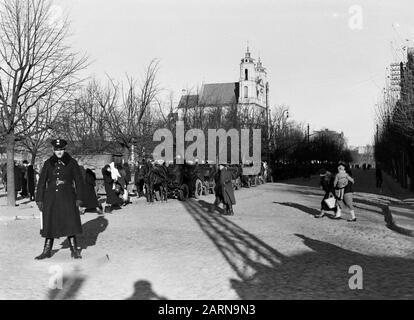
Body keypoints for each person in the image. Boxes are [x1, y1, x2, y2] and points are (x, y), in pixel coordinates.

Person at [35, 138, 84, 260]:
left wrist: (79, 198)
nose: (59, 152)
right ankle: (46, 251)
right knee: (50, 223)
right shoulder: (48, 163)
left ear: (64, 149)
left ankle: (74, 250)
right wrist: (39, 199)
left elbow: (79, 181)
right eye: (57, 150)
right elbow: (41, 182)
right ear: (53, 150)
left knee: (70, 222)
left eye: (61, 149)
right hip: (51, 198)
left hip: (68, 197)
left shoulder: (72, 163)